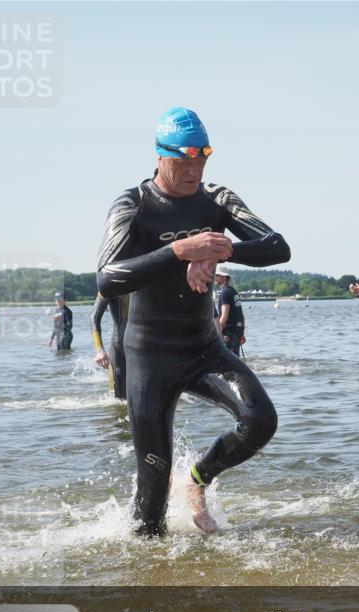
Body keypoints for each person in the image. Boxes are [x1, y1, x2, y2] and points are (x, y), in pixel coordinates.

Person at [96, 106, 290, 537]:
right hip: (148, 358)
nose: (195, 170)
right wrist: (180, 250)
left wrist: (216, 249)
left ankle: (197, 479)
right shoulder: (134, 204)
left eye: (202, 159)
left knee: (261, 420)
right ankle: (148, 588)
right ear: (161, 156)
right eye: (184, 161)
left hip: (203, 350)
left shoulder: (217, 199)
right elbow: (107, 277)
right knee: (150, 503)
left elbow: (277, 247)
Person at [91, 292, 129, 400]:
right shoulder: (110, 282)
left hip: (144, 351)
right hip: (119, 349)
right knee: (118, 401)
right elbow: (94, 317)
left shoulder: (149, 279)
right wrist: (99, 350)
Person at [214, 265, 246, 356]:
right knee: (235, 359)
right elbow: (240, 314)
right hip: (236, 332)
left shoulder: (225, 293)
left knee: (227, 362)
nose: (215, 277)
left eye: (217, 275)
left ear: (224, 277)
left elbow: (225, 315)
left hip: (229, 333)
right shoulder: (233, 291)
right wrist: (241, 333)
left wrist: (216, 332)